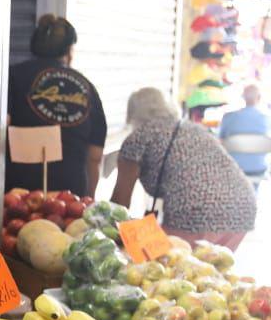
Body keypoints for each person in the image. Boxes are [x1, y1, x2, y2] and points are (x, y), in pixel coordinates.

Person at [110, 87, 257, 250]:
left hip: (194, 214)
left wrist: (106, 233)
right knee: (207, 270)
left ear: (133, 114)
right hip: (242, 207)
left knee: (173, 268)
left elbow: (119, 204)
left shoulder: (137, 138)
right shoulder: (196, 129)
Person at [5, 15, 108, 197]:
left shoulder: (12, 77)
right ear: (69, 51)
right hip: (69, 195)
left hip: (18, 194)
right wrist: (87, 201)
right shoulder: (87, 87)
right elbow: (95, 156)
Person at [218, 84, 271, 178]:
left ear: (242, 97)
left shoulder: (229, 117)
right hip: (258, 168)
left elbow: (220, 141)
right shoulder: (267, 120)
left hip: (233, 168)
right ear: (259, 98)